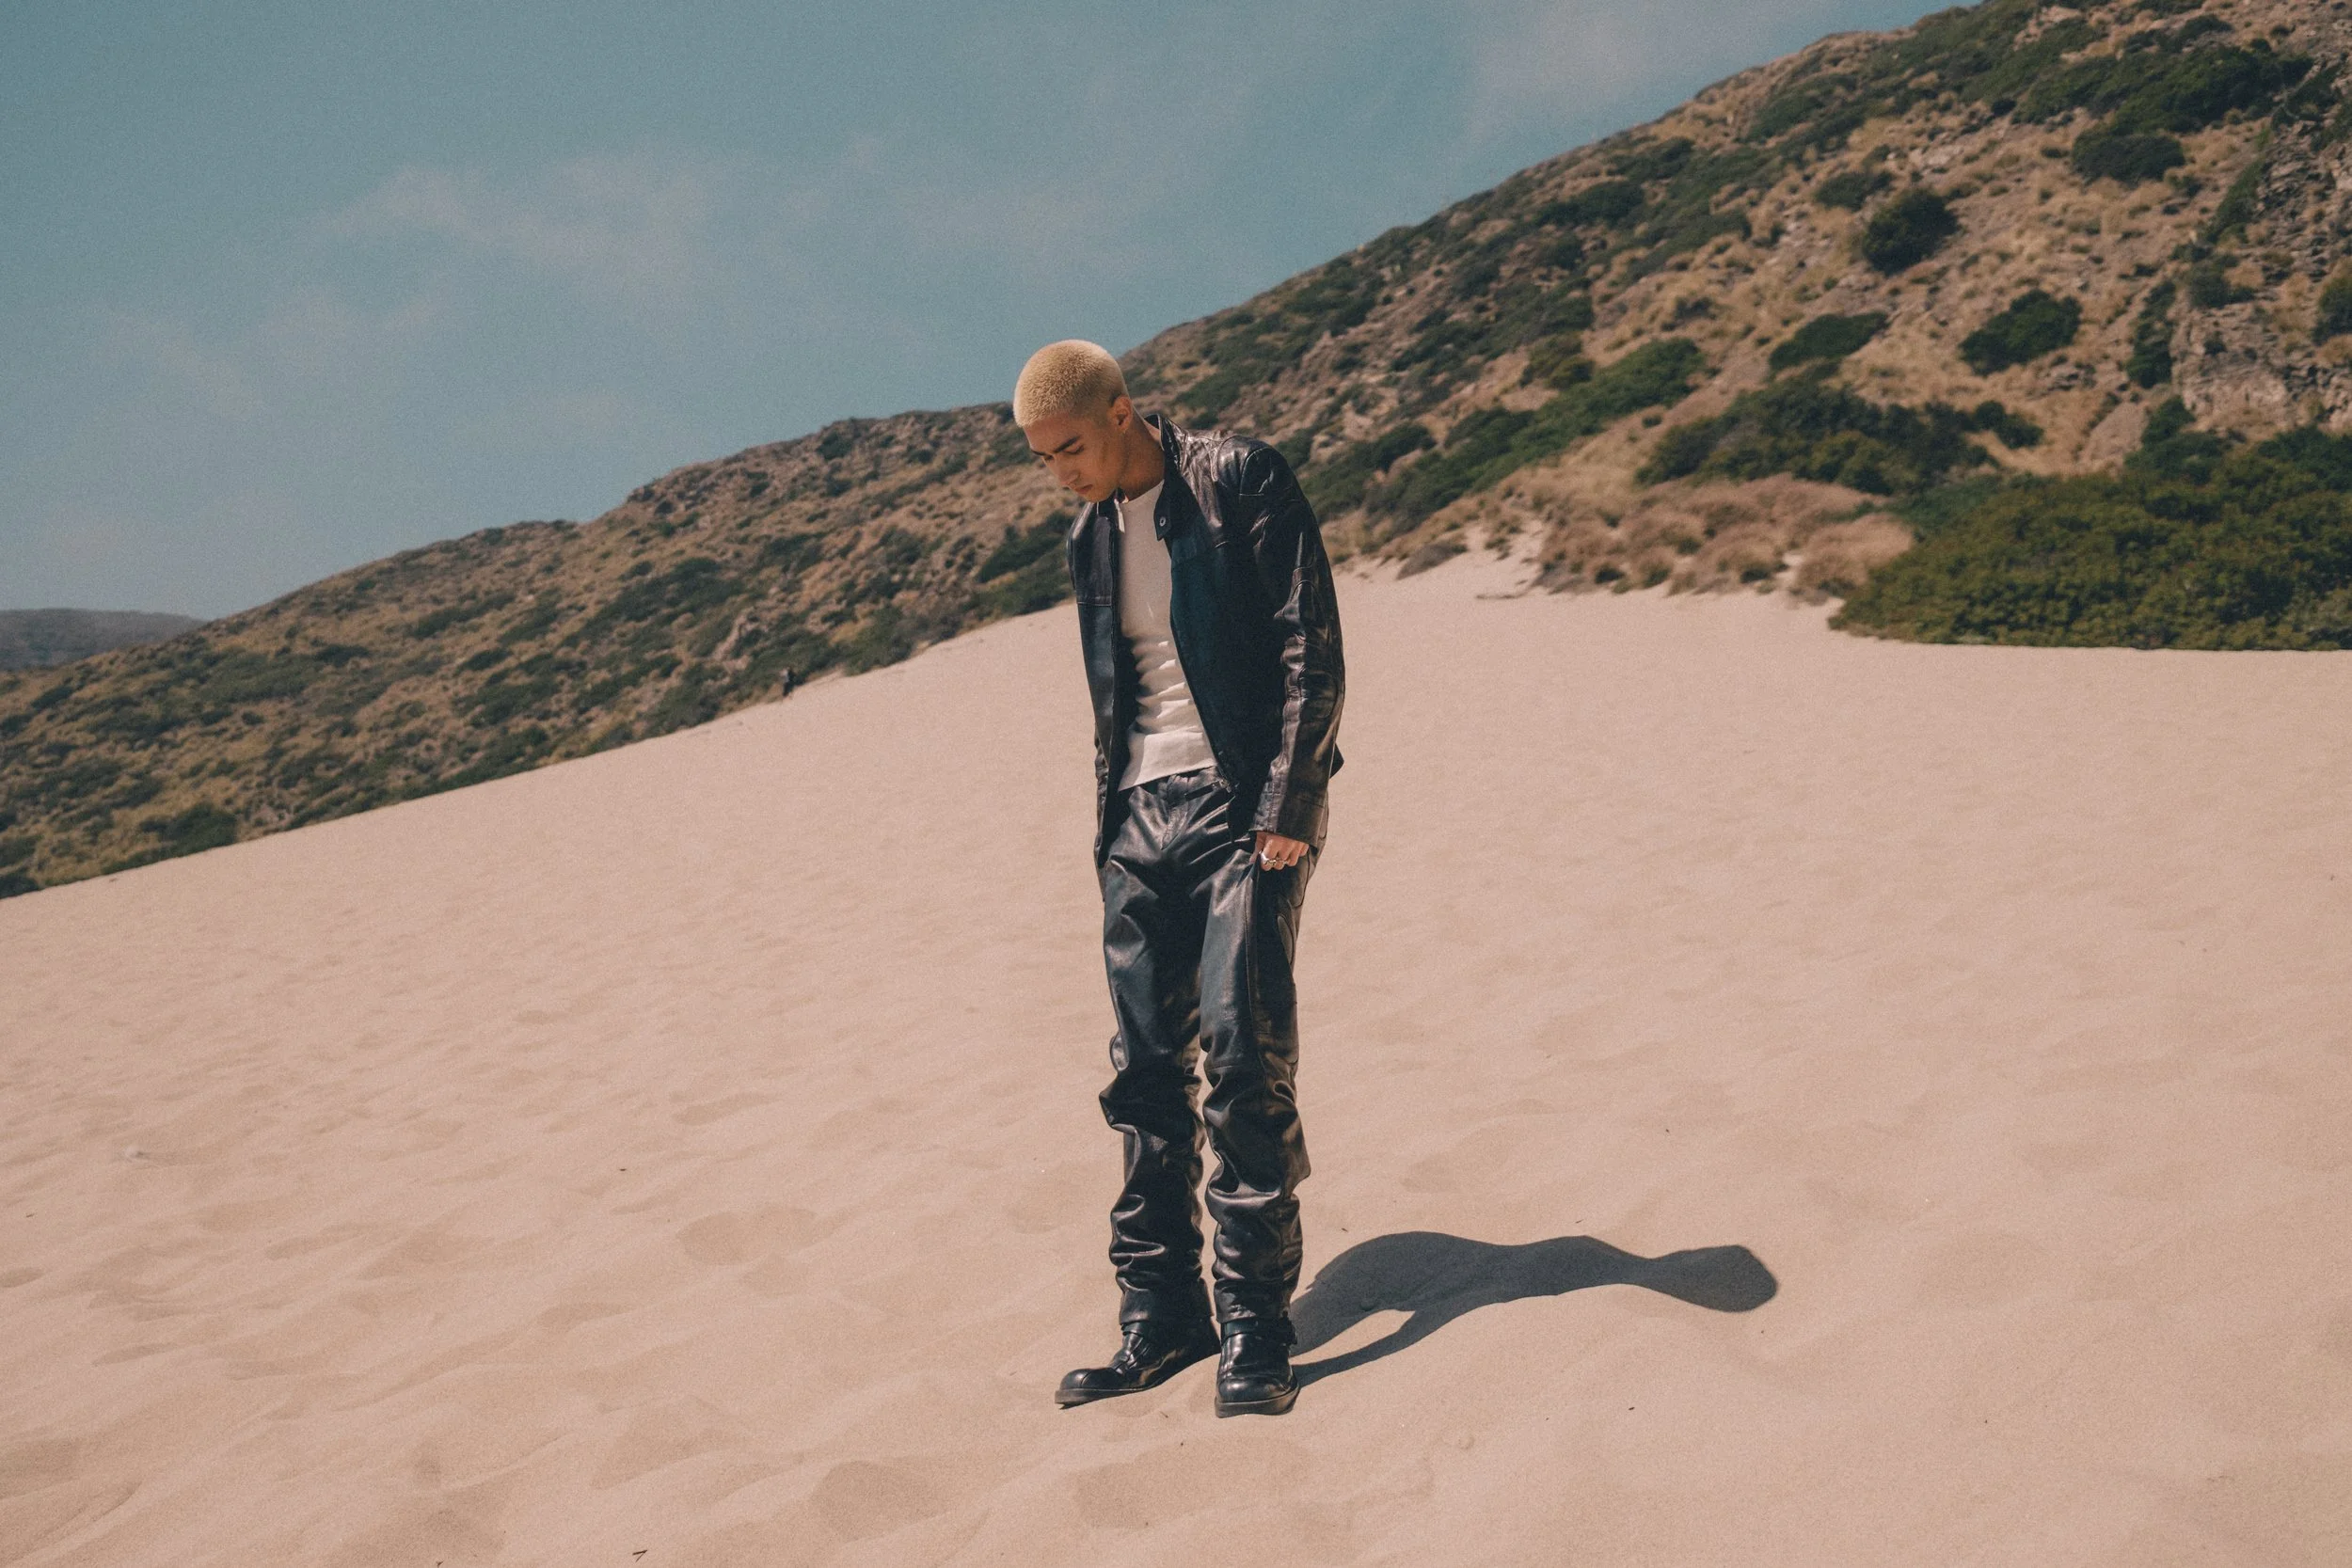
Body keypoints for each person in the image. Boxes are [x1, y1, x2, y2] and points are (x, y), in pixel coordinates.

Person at [1012, 340, 1345, 1417]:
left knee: (1245, 1053)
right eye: (1043, 458)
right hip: (1136, 821)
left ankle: (1255, 1321)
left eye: (1070, 447)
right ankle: (1161, 1315)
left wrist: (1288, 802)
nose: (1060, 471)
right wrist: (1110, 831)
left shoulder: (1236, 476)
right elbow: (1117, 697)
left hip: (1243, 801)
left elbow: (1309, 642)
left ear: (1120, 409)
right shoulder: (1087, 535)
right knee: (1145, 1073)